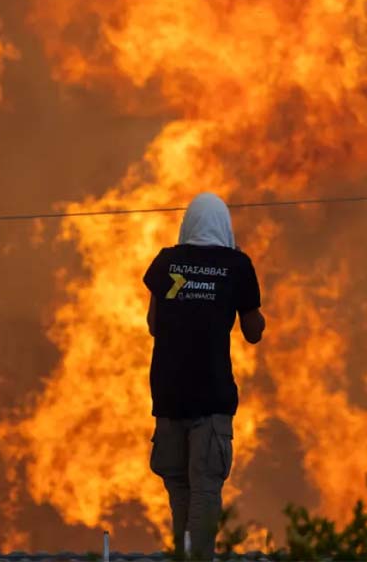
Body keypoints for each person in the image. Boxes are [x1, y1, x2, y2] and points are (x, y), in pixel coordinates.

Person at [142, 193, 265, 561]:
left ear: (187, 225)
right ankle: (201, 559)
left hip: (168, 395)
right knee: (206, 487)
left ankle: (184, 555)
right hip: (212, 397)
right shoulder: (236, 265)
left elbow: (152, 325)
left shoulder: (166, 263)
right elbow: (253, 332)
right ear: (224, 227)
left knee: (179, 486)